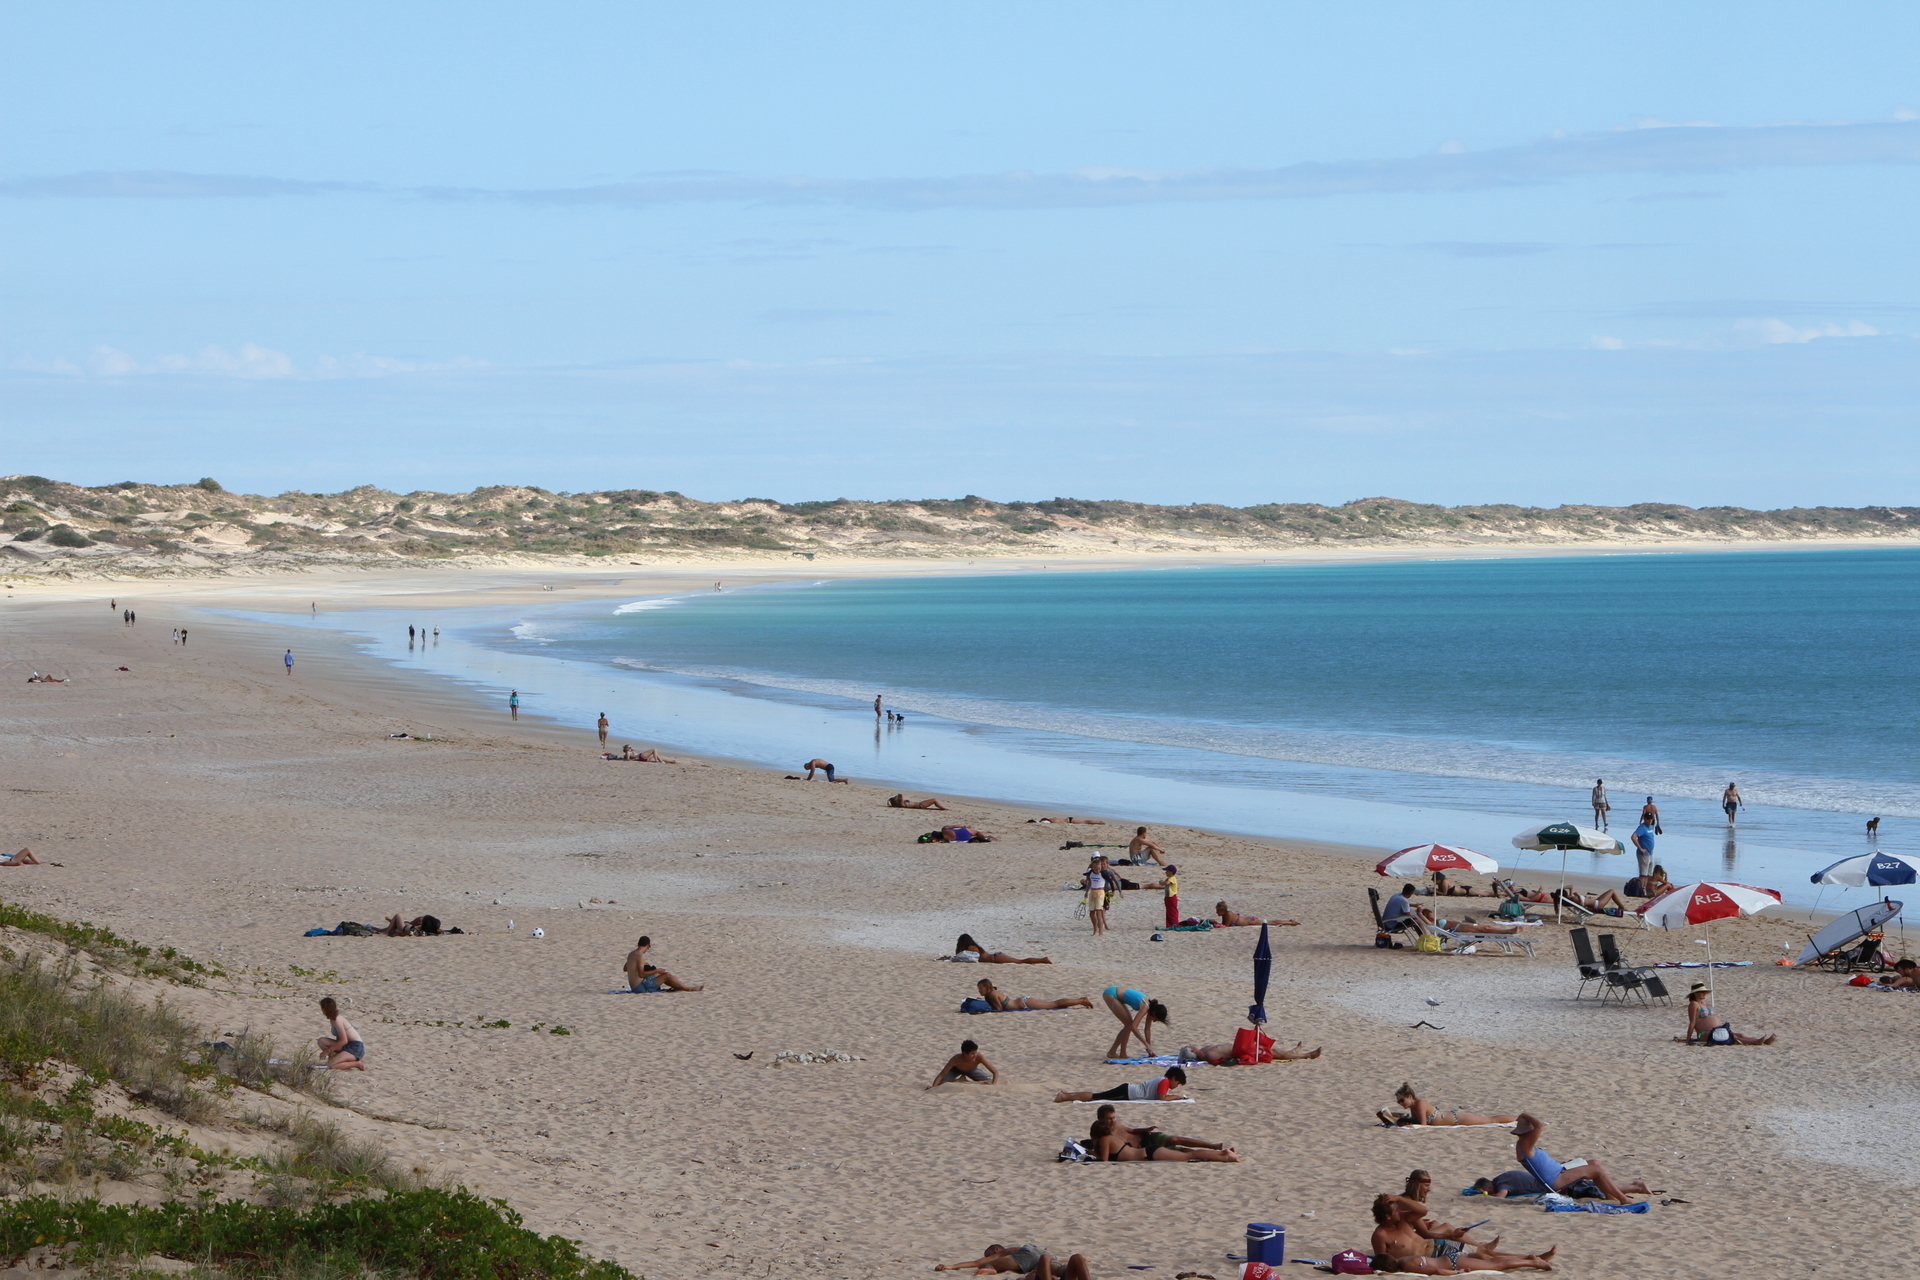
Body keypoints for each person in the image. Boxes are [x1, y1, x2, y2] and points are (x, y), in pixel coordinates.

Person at [1369, 1195, 1554, 1274]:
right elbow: (1382, 1261)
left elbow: (1422, 1211)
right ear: (1387, 1216)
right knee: (1484, 1256)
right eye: (1395, 1209)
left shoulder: (1402, 1218)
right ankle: (1531, 1258)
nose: (1399, 1210)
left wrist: (1399, 1198)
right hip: (1434, 1257)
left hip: (1439, 1246)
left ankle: (1530, 1257)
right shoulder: (1380, 1235)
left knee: (1484, 1254)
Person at [1512, 1112, 1650, 1204]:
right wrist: (1525, 1114)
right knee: (1596, 1170)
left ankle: (1614, 1193)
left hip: (1560, 1171)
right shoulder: (1525, 1146)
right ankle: (1623, 1198)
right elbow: (1539, 1125)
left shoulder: (1526, 1145)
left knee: (1594, 1163)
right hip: (1556, 1180)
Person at [1379, 1083, 1515, 1127]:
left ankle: (1518, 1118)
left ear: (1410, 1097)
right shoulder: (1413, 1107)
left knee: (1491, 1120)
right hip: (1451, 1118)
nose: (1400, 1103)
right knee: (1489, 1120)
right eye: (1398, 1101)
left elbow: (1423, 1125)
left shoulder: (1420, 1104)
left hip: (1457, 1118)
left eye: (1402, 1100)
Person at [1676, 983, 1773, 1044]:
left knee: (1740, 1034)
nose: (1704, 994)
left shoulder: (1703, 1003)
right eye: (1702, 992)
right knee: (1733, 1037)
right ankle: (1756, 1042)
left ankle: (1763, 1041)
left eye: (1705, 992)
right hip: (1704, 1034)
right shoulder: (1694, 1004)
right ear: (1695, 993)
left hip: (1717, 1030)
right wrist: (1688, 1039)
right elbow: (1692, 1022)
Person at [934, 1244, 1091, 1279]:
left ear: (996, 1250)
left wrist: (952, 1266)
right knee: (1071, 1259)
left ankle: (991, 1270)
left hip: (1036, 1261)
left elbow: (978, 1262)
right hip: (1051, 1261)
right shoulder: (1031, 1250)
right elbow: (1057, 1260)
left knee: (1046, 1260)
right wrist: (1082, 1262)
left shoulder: (1006, 1251)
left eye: (990, 1253)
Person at [1054, 1065, 1186, 1103]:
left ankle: (1067, 1095)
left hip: (1128, 1089)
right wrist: (1176, 1097)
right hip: (1128, 1092)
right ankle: (1065, 1097)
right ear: (1173, 1078)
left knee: (1099, 1096)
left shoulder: (1162, 1080)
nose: (1176, 1085)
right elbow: (1161, 1099)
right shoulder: (1164, 1081)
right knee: (1096, 1097)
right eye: (1177, 1083)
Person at [1100, 985, 1168, 1058]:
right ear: (1154, 1014)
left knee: (1128, 1025)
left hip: (1114, 994)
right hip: (1111, 994)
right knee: (1129, 1025)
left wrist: (1149, 1049)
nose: (1154, 1021)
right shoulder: (1146, 1007)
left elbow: (1147, 1029)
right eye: (1155, 1019)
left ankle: (1118, 1053)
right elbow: (1134, 1027)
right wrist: (1145, 1043)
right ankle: (1117, 1053)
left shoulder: (1153, 1008)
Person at [623, 936, 703, 991]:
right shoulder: (640, 955)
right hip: (640, 988)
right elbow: (641, 974)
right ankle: (688, 989)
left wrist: (641, 965)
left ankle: (677, 986)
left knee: (658, 976)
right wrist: (657, 970)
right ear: (648, 945)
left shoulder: (632, 954)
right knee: (666, 975)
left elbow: (625, 968)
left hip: (634, 986)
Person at [314, 997, 367, 1071]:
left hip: (355, 1047)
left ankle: (357, 1063)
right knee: (321, 1041)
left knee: (331, 1065)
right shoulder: (333, 1019)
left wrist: (328, 1051)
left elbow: (343, 1040)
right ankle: (335, 1058)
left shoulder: (337, 1020)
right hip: (346, 1045)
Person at [975, 978, 1090, 1011]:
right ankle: (1080, 1000)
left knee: (1054, 1004)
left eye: (981, 988)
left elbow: (998, 1009)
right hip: (1023, 1001)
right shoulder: (990, 994)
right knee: (1053, 1004)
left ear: (987, 987)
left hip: (1025, 1003)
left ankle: (1081, 1001)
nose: (979, 990)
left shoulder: (991, 994)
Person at [927, 1039, 998, 1088]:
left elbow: (995, 1072)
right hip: (956, 1070)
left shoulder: (980, 1057)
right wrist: (934, 1086)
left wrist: (992, 1084)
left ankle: (963, 1080)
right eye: (972, 1053)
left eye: (976, 1052)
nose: (975, 1055)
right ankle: (960, 1080)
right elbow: (942, 1073)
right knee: (942, 1084)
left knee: (987, 1081)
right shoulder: (956, 1059)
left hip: (972, 1070)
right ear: (964, 1053)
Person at [1180, 1040, 1320, 1064]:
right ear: (1192, 1050)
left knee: (1272, 1050)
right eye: (1189, 1046)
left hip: (1241, 1046)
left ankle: (1294, 1051)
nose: (1191, 1045)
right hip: (1243, 1052)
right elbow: (1226, 1060)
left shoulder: (1204, 1050)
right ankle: (1307, 1055)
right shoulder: (1208, 1055)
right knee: (1274, 1052)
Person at [954, 934, 1050, 964]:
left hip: (995, 958)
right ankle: (1043, 960)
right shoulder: (973, 946)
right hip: (996, 956)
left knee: (1021, 961)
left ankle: (1043, 960)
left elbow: (971, 959)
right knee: (1020, 961)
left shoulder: (971, 948)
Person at [1470, 1170, 1551, 1199]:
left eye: (1488, 1191)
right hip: (1543, 1178)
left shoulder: (1502, 1184)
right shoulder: (1500, 1178)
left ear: (1490, 1185)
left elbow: (1500, 1197)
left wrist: (1490, 1196)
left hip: (1546, 1185)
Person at [1214, 901, 1300, 927]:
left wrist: (1214, 922)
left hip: (1251, 921)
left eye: (1218, 911)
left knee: (1270, 922)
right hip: (1249, 920)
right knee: (1270, 922)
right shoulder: (1225, 915)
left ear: (1222, 910)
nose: (1216, 912)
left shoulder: (1228, 914)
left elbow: (1225, 926)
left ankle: (1290, 922)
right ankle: (1289, 921)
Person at [1085, 858, 1112, 937]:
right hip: (1092, 892)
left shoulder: (1103, 874)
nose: (1097, 871)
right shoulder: (1091, 873)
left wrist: (1112, 891)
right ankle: (1095, 929)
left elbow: (1111, 882)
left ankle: (1101, 932)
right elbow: (1090, 882)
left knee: (1099, 913)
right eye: (1096, 869)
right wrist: (1086, 892)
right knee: (1091, 913)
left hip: (1100, 892)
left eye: (1099, 869)